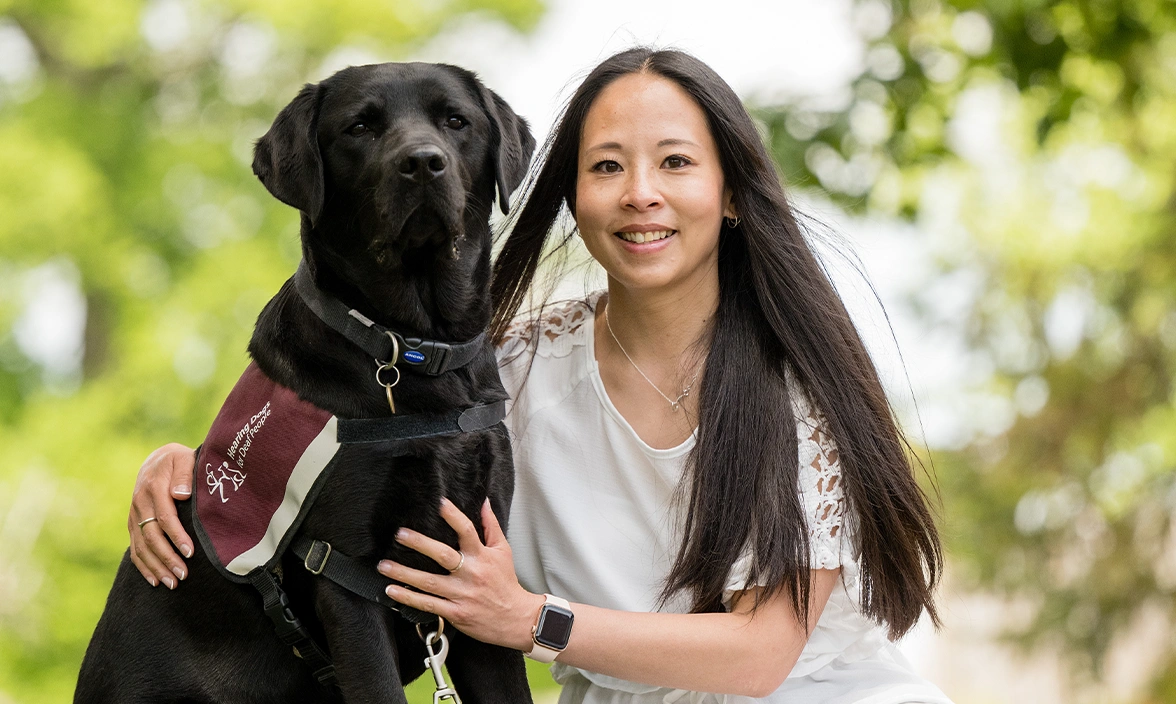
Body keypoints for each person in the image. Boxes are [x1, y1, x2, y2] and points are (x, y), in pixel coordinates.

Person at [127, 47, 954, 703]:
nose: (640, 195)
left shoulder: (796, 386)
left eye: (674, 163)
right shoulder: (508, 371)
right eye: (605, 168)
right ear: (565, 195)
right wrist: (190, 472)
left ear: (730, 192)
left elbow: (760, 656)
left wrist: (531, 620)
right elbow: (322, 452)